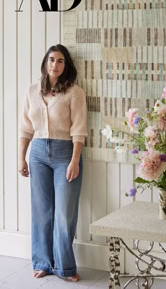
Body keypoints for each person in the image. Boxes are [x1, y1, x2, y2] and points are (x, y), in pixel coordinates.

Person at [18, 44, 88, 282]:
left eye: (60, 61)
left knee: (64, 213)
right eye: (51, 60)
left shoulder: (74, 92)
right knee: (41, 212)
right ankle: (43, 263)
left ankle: (65, 268)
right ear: (45, 62)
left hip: (65, 152)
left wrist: (75, 160)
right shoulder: (32, 90)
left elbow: (79, 129)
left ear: (66, 65)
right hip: (37, 152)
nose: (54, 65)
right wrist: (21, 158)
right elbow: (26, 127)